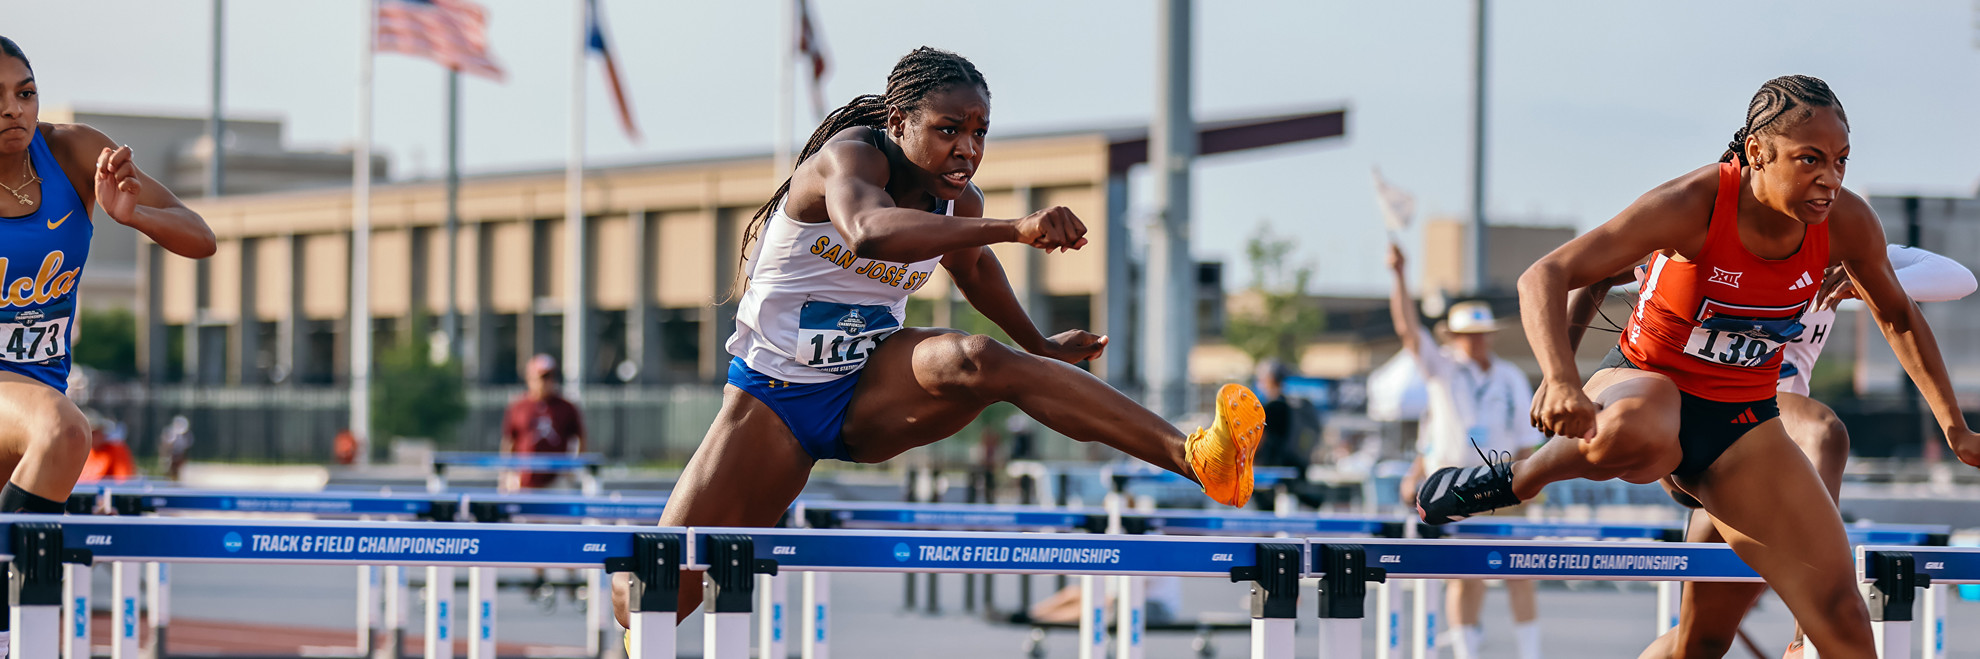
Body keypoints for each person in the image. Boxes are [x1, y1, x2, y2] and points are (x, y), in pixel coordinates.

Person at [613, 47, 1265, 627]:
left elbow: (974, 270)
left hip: (869, 386)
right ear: (899, 124)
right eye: (948, 130)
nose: (967, 149)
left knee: (979, 358)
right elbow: (869, 229)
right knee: (657, 592)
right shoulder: (847, 159)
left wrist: (1037, 346)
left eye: (979, 132)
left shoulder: (961, 202)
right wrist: (1017, 227)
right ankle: (618, 595)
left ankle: (1200, 459)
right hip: (772, 405)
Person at [1415, 75, 1980, 658]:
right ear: (1758, 152)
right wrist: (1559, 379)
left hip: (1742, 424)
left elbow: (1900, 317)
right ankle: (1522, 477)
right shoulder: (1691, 205)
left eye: (1840, 161)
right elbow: (1547, 274)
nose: (1829, 179)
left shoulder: (1847, 224)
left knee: (1811, 625)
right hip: (1644, 388)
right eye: (1809, 159)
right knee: (1644, 431)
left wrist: (1955, 429)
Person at [1561, 245, 1976, 658]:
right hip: (1712, 423)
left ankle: (1804, 627)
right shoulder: (1715, 246)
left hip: (1760, 465)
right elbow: (1595, 273)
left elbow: (1959, 279)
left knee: (1700, 641)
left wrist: (1866, 281)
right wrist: (1560, 379)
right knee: (1824, 432)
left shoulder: (1849, 249)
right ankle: (1805, 637)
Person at [0, 37, 213, 514]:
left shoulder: (73, 152)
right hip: (34, 412)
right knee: (66, 429)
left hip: (35, 396)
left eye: (25, 93)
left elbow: (201, 236)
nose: (13, 109)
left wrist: (136, 216)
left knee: (57, 434)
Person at [1386, 244, 1545, 659]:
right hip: (1454, 485)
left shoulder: (1510, 376)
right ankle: (1465, 653)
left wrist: (1528, 485)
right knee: (1464, 576)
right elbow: (1407, 330)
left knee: (1520, 572)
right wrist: (1400, 275)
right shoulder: (1442, 368)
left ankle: (1529, 653)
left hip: (1503, 482)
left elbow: (1524, 440)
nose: (1475, 342)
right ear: (1455, 338)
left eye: (1480, 335)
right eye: (1468, 336)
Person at [499, 354, 586, 491]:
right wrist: (508, 471)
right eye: (541, 377)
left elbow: (580, 438)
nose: (546, 382)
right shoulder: (518, 407)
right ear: (530, 378)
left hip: (556, 479)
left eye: (550, 377)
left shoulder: (566, 407)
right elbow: (509, 440)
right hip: (524, 478)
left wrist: (572, 467)